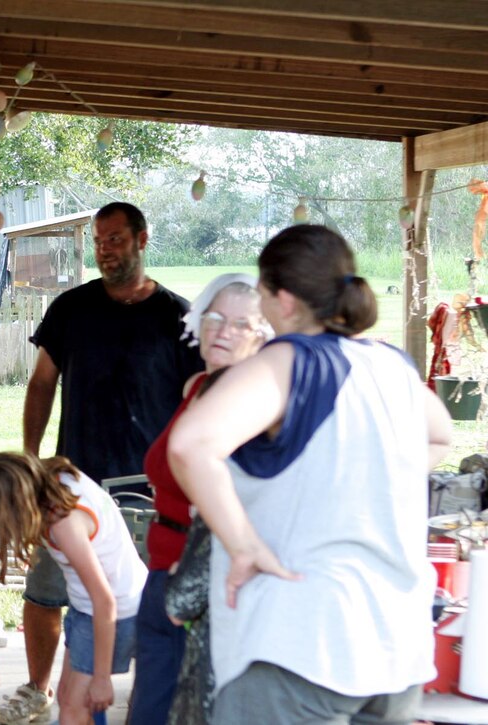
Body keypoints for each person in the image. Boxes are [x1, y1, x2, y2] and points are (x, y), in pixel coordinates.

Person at [168, 224, 453, 725]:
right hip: (395, 647)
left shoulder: (288, 360)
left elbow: (191, 446)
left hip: (302, 645)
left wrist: (243, 546)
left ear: (280, 298)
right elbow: (439, 437)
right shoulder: (391, 365)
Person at [7, 201, 202, 724]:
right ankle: (37, 687)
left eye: (115, 239)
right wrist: (30, 459)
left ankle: (143, 703)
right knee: (48, 594)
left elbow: (199, 401)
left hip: (151, 490)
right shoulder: (71, 308)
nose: (105, 250)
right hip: (74, 484)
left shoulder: (179, 317)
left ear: (142, 239)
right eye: (98, 241)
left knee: (146, 603)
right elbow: (42, 383)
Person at [138, 273, 271, 725]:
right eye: (215, 317)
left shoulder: (251, 402)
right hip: (160, 566)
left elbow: (241, 497)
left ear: (262, 335)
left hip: (199, 582)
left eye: (241, 324)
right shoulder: (197, 387)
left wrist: (191, 576)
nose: (224, 331)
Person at [0, 452, 148, 725]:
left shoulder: (63, 523)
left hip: (114, 613)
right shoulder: (54, 477)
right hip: (97, 606)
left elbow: (104, 600)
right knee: (70, 699)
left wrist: (101, 678)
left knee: (75, 710)